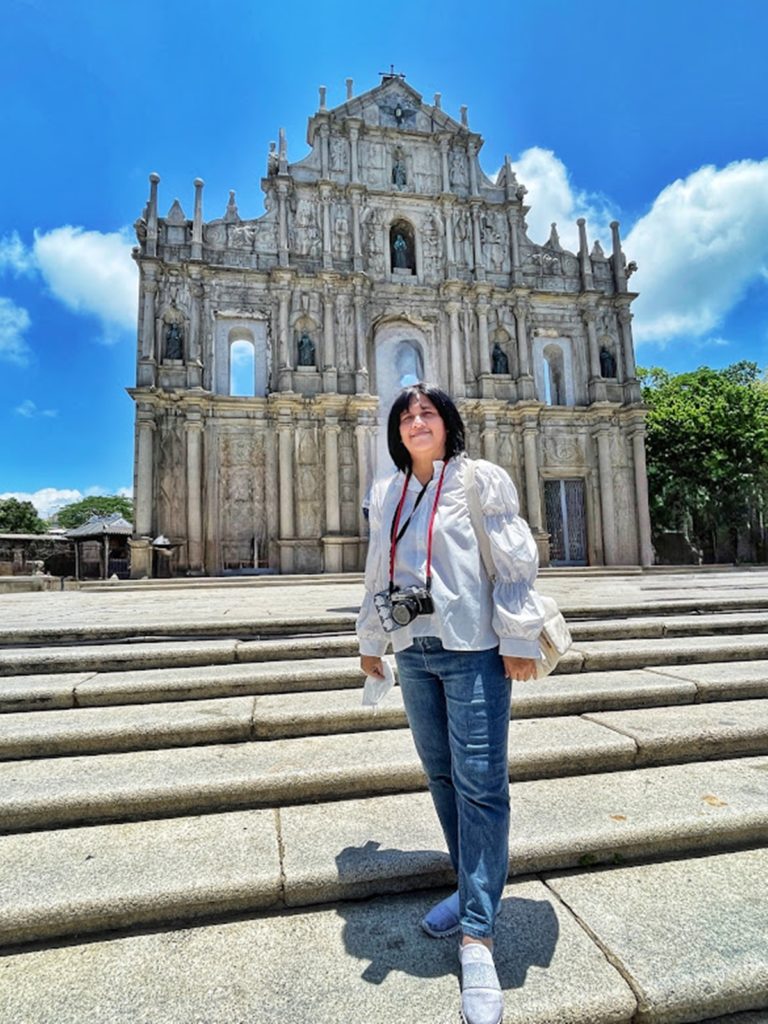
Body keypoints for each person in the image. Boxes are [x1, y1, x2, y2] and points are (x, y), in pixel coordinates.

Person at [357, 383, 544, 1024]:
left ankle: (478, 935)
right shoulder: (387, 492)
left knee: (481, 784)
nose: (416, 421)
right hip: (415, 652)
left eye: (428, 412)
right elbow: (377, 573)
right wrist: (370, 642)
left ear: (448, 423)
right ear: (396, 432)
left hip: (473, 650)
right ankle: (473, 889)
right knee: (441, 774)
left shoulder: (479, 480)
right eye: (406, 415)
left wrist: (518, 637)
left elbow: (513, 563)